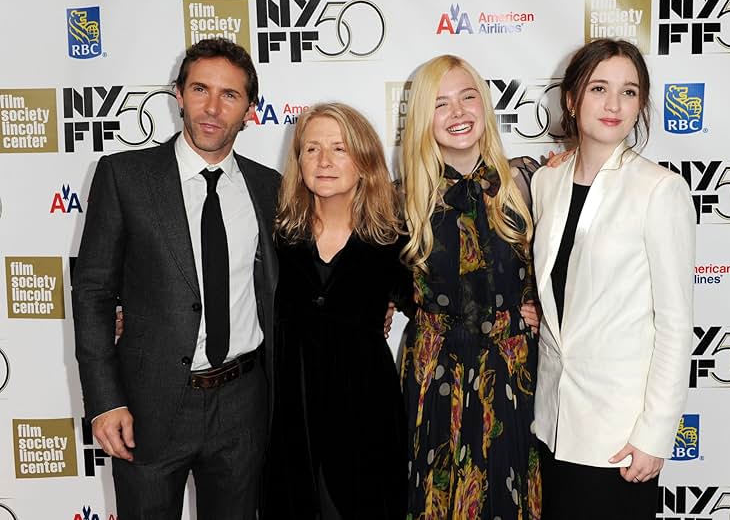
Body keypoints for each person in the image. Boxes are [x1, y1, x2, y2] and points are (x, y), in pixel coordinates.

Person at [72, 38, 280, 520]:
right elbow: (93, 293)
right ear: (179, 94)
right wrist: (104, 402)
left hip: (244, 404)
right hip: (149, 405)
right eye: (200, 89)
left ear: (249, 108)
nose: (211, 107)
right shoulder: (125, 176)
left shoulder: (268, 187)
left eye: (229, 95)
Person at [530, 38, 696, 519]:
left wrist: (654, 434)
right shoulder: (546, 182)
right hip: (553, 422)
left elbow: (674, 324)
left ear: (641, 103)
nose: (613, 104)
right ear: (571, 98)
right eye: (599, 88)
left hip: (620, 437)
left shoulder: (659, 190)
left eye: (629, 92)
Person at [399, 54, 542, 519]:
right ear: (423, 116)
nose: (458, 113)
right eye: (441, 103)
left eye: (468, 96)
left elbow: (574, 267)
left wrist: (545, 307)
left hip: (510, 367)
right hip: (432, 369)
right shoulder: (401, 196)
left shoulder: (529, 181)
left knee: (508, 494)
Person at [264, 103, 411, 519]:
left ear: (364, 160)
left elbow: (441, 301)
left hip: (367, 413)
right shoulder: (275, 233)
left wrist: (528, 304)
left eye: (339, 149)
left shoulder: (393, 238)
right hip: (293, 415)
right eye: (311, 150)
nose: (324, 161)